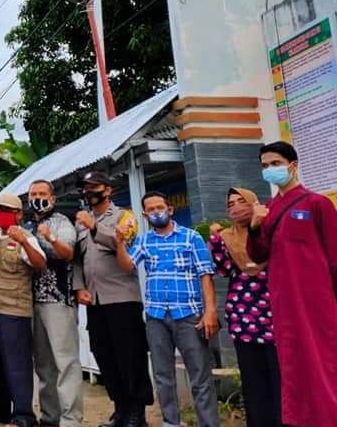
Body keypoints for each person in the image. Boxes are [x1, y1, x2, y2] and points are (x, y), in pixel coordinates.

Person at [247, 141, 337, 427]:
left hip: (319, 299)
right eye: (264, 166)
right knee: (293, 363)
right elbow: (258, 253)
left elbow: (334, 255)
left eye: (275, 164)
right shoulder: (267, 209)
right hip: (283, 301)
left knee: (325, 359)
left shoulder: (317, 203)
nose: (269, 170)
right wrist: (254, 225)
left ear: (293, 165)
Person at [116, 192, 220, 427]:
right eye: (150, 210)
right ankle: (171, 423)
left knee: (200, 377)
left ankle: (209, 423)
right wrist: (119, 242)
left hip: (189, 316)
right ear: (145, 214)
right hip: (156, 317)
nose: (156, 212)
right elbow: (126, 267)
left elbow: (206, 275)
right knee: (163, 377)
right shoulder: (143, 241)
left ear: (170, 209)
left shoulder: (190, 237)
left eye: (160, 207)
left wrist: (210, 311)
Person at [71, 172, 151, 427]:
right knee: (104, 354)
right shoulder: (81, 222)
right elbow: (76, 260)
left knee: (130, 356)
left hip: (122, 299)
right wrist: (78, 287)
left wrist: (95, 227)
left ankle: (137, 412)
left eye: (94, 187)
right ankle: (120, 408)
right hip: (94, 300)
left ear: (108, 190)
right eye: (86, 188)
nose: (89, 192)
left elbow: (124, 246)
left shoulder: (124, 217)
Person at [209, 188, 280, 427]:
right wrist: (216, 242)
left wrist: (258, 225)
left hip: (276, 314)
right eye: (231, 204)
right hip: (243, 317)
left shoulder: (270, 229)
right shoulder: (227, 236)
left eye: (242, 201)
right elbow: (224, 270)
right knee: (253, 380)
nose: (236, 207)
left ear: (254, 203)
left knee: (280, 378)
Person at [19, 178, 82, 427]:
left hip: (57, 299)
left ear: (52, 198)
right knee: (44, 365)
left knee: (65, 362)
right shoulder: (26, 225)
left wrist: (51, 237)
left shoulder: (61, 221)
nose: (37, 197)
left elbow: (68, 253)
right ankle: (50, 416)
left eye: (42, 193)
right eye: (33, 193)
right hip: (31, 300)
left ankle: (71, 419)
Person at [0, 194, 46, 427]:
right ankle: (0, 410)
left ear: (19, 214)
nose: (2, 213)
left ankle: (23, 414)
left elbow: (40, 263)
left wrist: (22, 241)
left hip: (15, 309)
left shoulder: (26, 236)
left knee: (17, 364)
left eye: (7, 210)